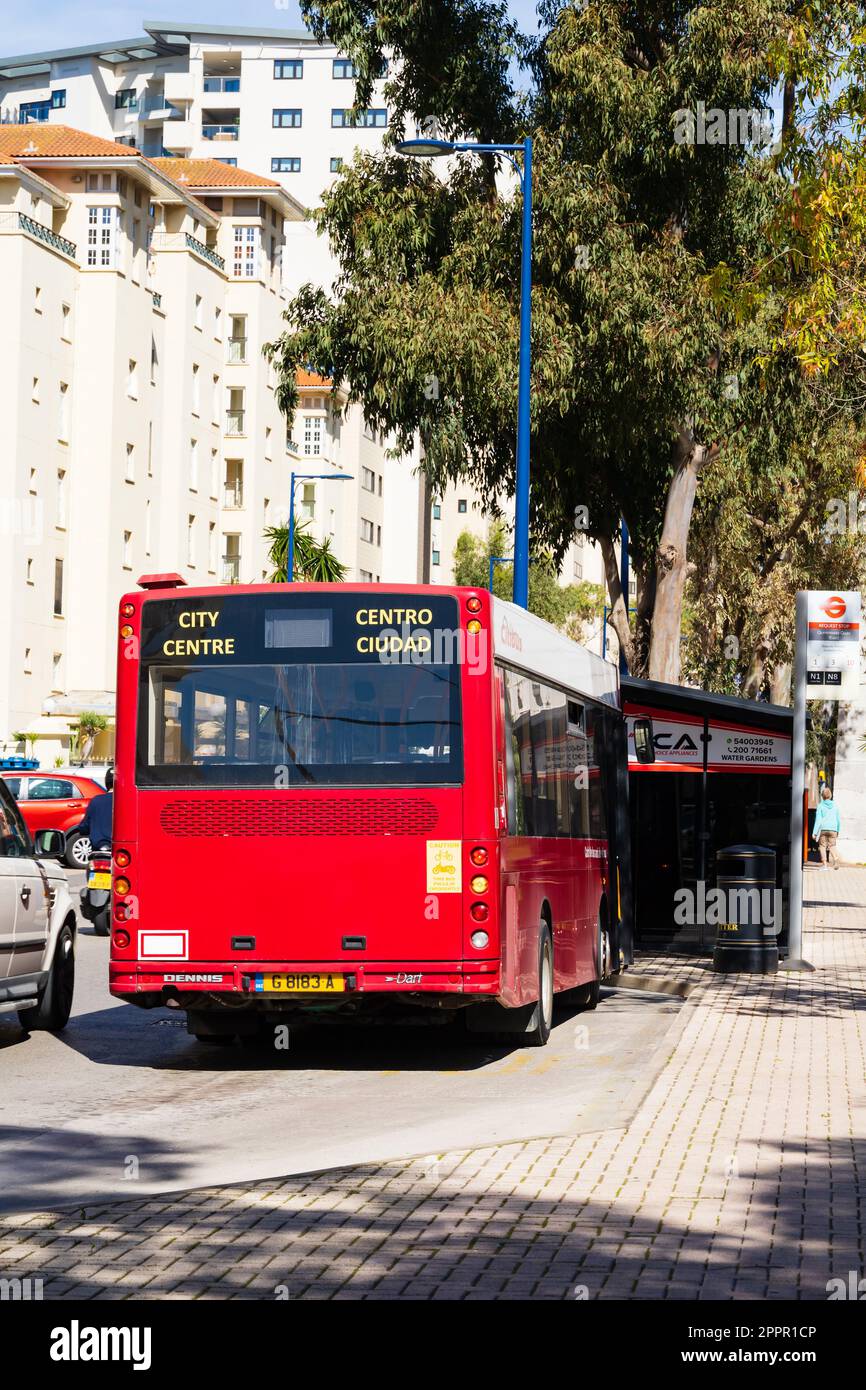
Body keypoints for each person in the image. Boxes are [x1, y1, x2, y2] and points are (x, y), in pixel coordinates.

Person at [75, 766, 114, 851]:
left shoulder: (96, 800)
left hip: (99, 848)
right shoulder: (129, 801)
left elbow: (84, 826)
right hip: (122, 851)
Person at [812, 784, 841, 869]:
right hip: (833, 829)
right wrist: (838, 830)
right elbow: (838, 819)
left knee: (822, 846)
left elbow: (818, 820)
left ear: (822, 796)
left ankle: (825, 865)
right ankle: (835, 859)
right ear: (830, 795)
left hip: (823, 829)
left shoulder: (820, 805)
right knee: (832, 845)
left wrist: (814, 832)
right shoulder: (835, 806)